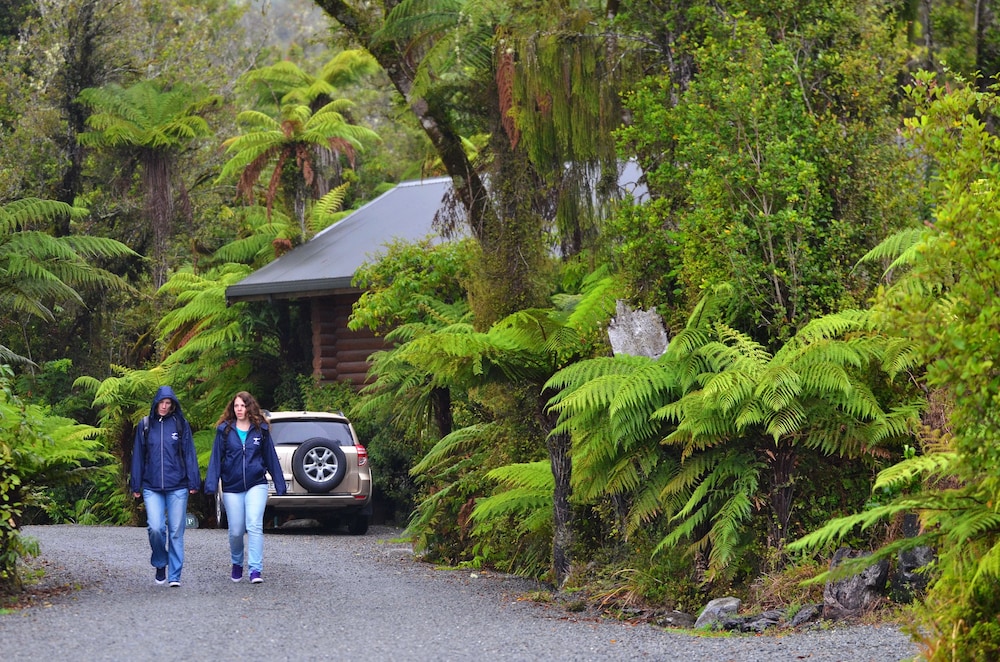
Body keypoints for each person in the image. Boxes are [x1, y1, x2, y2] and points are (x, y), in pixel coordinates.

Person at [204, 391, 286, 584]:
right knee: (236, 530)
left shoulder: (261, 430)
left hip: (256, 484)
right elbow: (216, 458)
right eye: (236, 406)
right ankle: (237, 563)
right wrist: (210, 484)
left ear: (250, 407)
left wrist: (280, 483)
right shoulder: (224, 430)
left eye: (243, 405)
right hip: (232, 486)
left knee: (255, 525)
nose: (239, 409)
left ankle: (255, 570)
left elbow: (271, 458)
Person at [130, 385, 201, 587]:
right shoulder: (145, 425)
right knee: (155, 528)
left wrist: (193, 480)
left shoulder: (180, 424)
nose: (164, 406)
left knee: (176, 531)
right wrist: (135, 484)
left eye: (168, 403)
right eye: (161, 402)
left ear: (173, 405)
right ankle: (161, 562)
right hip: (151, 486)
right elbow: (138, 457)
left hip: (177, 486)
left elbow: (189, 453)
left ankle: (175, 575)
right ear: (156, 403)